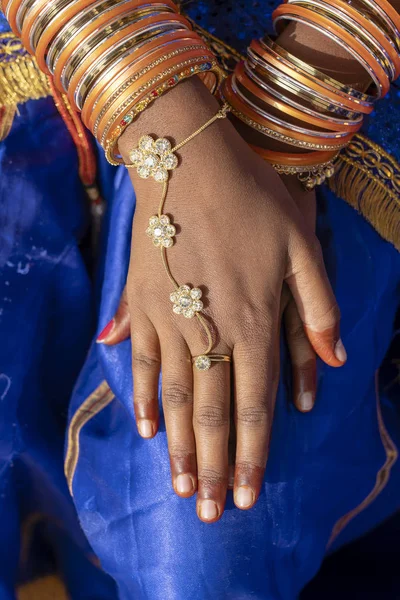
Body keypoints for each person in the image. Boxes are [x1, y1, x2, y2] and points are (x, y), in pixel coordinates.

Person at [0, 0, 399, 597]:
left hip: (330, 59)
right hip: (63, 43)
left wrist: (286, 122)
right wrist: (159, 123)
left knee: (205, 547)